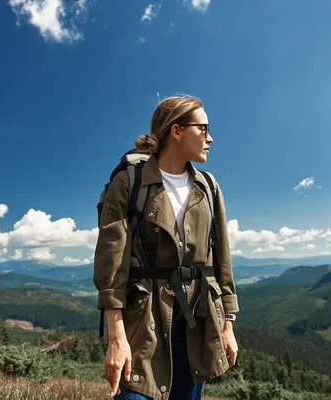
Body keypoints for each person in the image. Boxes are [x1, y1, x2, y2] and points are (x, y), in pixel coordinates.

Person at [93, 95, 239, 400]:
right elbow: (111, 265)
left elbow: (221, 262)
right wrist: (116, 337)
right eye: (202, 128)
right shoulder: (129, 182)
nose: (209, 138)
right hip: (143, 324)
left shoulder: (209, 187)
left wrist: (228, 323)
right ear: (176, 131)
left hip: (198, 323)